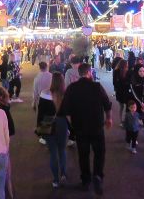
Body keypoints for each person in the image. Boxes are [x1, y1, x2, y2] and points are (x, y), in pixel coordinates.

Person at [59, 63, 112, 195]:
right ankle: (98, 176)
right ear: (89, 72)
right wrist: (108, 118)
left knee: (83, 155)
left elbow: (64, 111)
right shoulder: (97, 86)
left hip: (80, 128)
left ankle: (86, 180)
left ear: (79, 73)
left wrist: (72, 126)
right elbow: (107, 104)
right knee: (99, 152)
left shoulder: (72, 88)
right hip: (97, 127)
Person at [37, 72, 68, 188]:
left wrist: (40, 129)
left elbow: (40, 113)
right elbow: (69, 113)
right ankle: (64, 174)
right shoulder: (65, 94)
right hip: (62, 123)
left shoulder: (44, 93)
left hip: (47, 123)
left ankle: (55, 180)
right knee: (62, 150)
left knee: (53, 153)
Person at [113, 59, 130, 125]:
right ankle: (126, 120)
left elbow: (114, 82)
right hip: (126, 91)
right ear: (125, 65)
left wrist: (116, 89)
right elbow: (129, 82)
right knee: (127, 107)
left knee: (121, 107)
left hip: (119, 91)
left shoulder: (116, 71)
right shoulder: (128, 71)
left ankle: (121, 121)